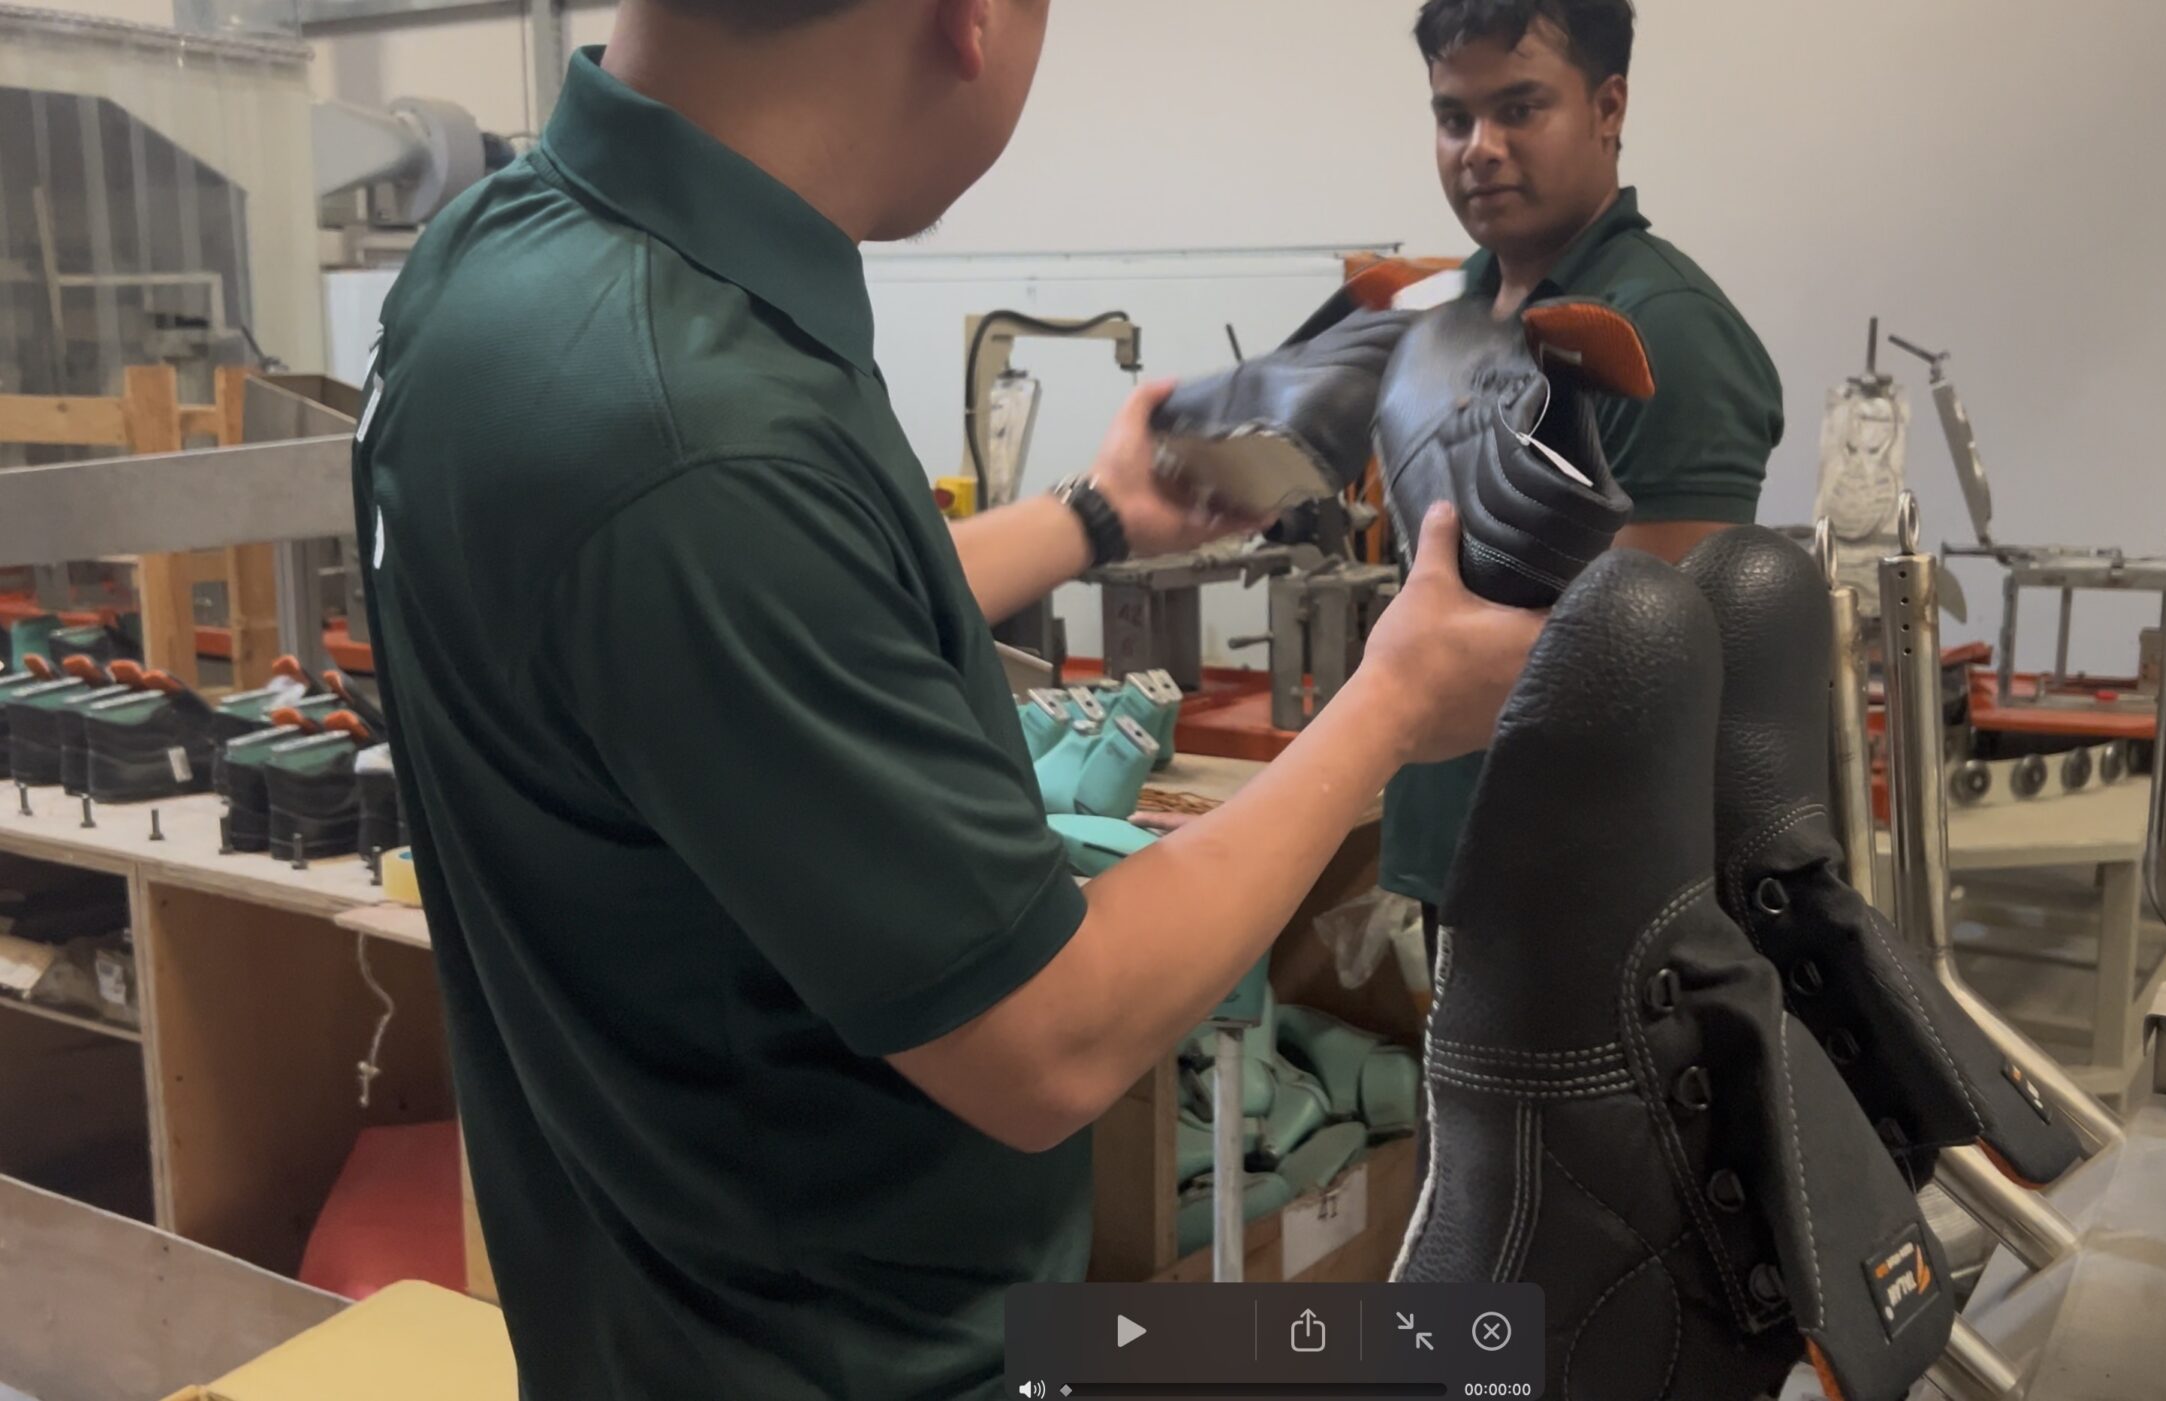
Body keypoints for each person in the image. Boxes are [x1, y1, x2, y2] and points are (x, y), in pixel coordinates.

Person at [349, 2, 1543, 1397]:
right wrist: (1391, 706)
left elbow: (766, 622)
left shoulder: (502, 256)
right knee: (1452, 1357)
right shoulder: (696, 432)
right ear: (968, 17)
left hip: (647, 1323)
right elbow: (1054, 1040)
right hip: (855, 1358)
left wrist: (1095, 516)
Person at [1380, 0, 1788, 932]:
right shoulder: (1458, 309)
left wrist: (1385, 707)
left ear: (1609, 108)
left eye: (1519, 109)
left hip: (1590, 892)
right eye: (1454, 117)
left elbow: (1641, 660)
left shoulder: (1664, 328)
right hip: (1459, 859)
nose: (1479, 149)